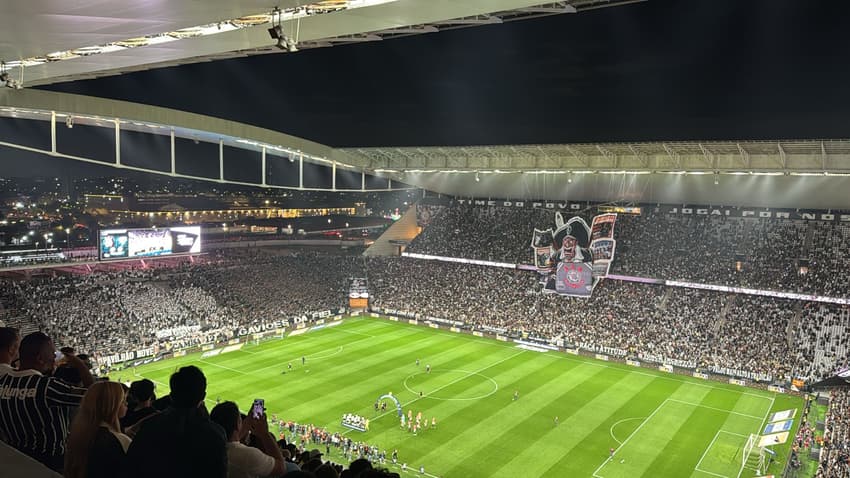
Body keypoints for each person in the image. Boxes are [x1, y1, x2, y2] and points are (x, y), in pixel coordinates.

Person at [0, 332, 93, 472]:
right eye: (52, 352)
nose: (55, 356)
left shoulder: (3, 382)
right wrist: (79, 364)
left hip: (19, 458)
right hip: (51, 462)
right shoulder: (47, 387)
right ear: (40, 358)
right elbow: (94, 394)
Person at [126, 366, 227, 478]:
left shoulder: (149, 426)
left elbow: (132, 466)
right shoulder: (215, 434)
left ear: (171, 396)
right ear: (203, 397)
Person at [64, 381, 132, 478]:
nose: (126, 403)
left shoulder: (78, 436)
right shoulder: (119, 441)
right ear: (113, 405)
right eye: (123, 400)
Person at [210, 401, 287, 478]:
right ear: (238, 425)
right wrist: (264, 433)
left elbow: (231, 441)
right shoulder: (248, 455)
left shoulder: (209, 446)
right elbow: (281, 468)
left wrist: (248, 422)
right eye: (240, 419)